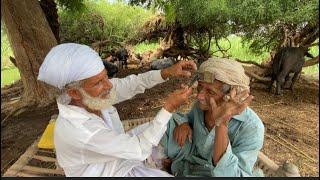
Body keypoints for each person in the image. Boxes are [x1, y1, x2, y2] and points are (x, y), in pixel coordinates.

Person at [37, 43, 197, 177]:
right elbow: (139, 149)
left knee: (165, 126)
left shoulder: (90, 97)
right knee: (161, 125)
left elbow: (129, 84)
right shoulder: (82, 132)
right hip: (114, 172)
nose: (108, 85)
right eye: (98, 82)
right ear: (74, 92)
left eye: (106, 77)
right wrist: (169, 107)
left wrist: (166, 72)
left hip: (118, 156)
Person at [159, 57, 265, 177]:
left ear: (232, 95)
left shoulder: (252, 128)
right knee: (165, 124)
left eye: (210, 92)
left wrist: (222, 124)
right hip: (189, 161)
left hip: (214, 173)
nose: (199, 96)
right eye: (200, 87)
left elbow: (233, 174)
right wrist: (184, 123)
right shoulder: (202, 107)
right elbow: (187, 117)